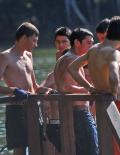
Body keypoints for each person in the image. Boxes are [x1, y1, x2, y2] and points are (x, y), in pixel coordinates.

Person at [68, 16, 120, 155]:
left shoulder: (93, 50)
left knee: (110, 147)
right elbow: (113, 74)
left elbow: (72, 68)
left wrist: (89, 88)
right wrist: (113, 93)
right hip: (118, 104)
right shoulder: (114, 52)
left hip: (102, 102)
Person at [0, 22, 51, 155]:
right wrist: (13, 90)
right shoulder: (5, 56)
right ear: (23, 38)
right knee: (20, 148)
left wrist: (47, 90)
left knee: (39, 145)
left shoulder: (28, 56)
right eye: (34, 40)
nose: (36, 44)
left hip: (33, 107)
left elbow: (35, 86)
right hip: (16, 109)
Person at [54, 27, 98, 155]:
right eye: (89, 43)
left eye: (93, 42)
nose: (92, 46)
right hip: (79, 113)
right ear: (77, 43)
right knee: (92, 151)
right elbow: (65, 87)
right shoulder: (71, 59)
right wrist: (90, 89)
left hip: (72, 113)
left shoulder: (66, 57)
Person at [40, 26, 72, 154]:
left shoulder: (75, 58)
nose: (61, 45)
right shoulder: (57, 59)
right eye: (58, 42)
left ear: (71, 42)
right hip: (56, 118)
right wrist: (47, 92)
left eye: (64, 41)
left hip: (75, 115)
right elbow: (45, 85)